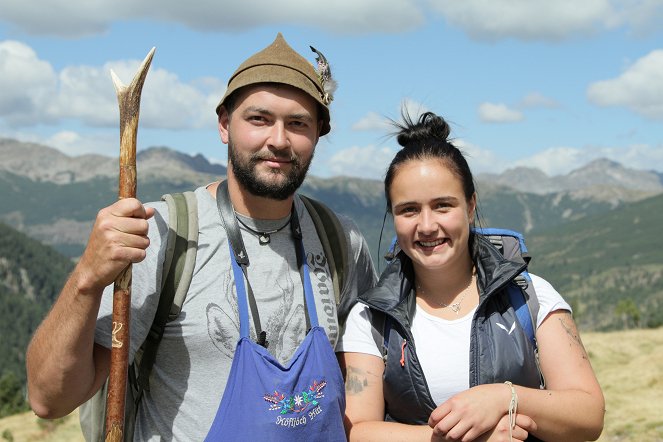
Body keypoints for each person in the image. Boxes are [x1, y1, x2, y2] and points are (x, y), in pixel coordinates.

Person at [26, 33, 377, 441]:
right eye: (259, 119)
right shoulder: (161, 233)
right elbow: (49, 399)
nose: (278, 140)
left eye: (297, 123)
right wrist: (87, 275)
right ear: (225, 125)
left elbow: (362, 376)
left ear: (318, 134)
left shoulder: (341, 242)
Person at [337, 111, 605, 441]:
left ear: (471, 205)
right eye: (409, 209)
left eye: (442, 206)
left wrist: (503, 398)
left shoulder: (530, 296)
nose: (426, 225)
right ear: (393, 215)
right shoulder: (371, 317)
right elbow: (357, 431)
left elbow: (589, 413)